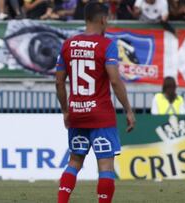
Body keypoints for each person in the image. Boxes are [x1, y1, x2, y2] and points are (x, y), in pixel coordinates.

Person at [55, 2, 135, 203]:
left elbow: (58, 81)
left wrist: (65, 110)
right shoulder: (107, 45)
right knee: (106, 166)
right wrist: (128, 110)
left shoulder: (68, 44)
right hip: (101, 115)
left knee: (74, 162)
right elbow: (115, 80)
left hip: (76, 113)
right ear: (103, 19)